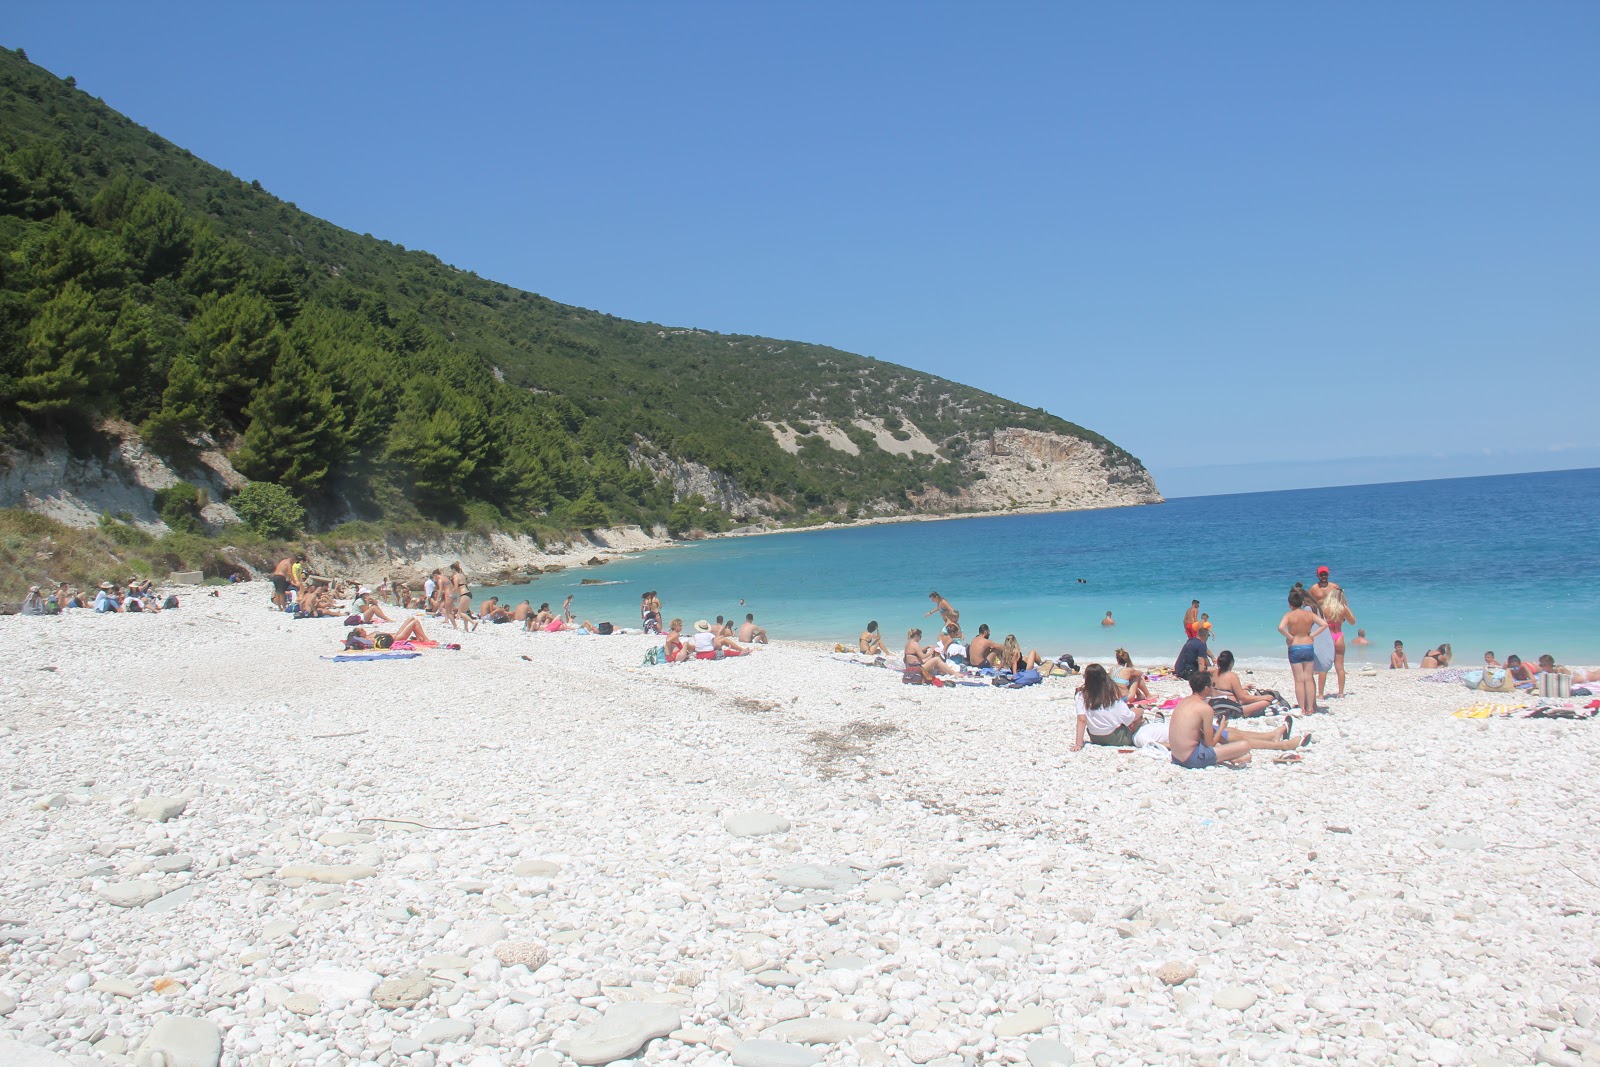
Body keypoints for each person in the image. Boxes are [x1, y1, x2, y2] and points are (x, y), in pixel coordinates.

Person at [1169, 672, 1306, 769]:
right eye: (1212, 685)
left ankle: (1272, 737)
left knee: (1228, 735)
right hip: (1191, 759)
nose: (1213, 687)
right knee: (1244, 745)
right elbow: (1209, 743)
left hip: (1177, 756)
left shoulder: (1183, 703)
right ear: (1206, 689)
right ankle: (1283, 745)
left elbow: (1199, 735)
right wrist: (1222, 726)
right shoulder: (1205, 708)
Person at [1070, 664, 1146, 750]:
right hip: (1116, 738)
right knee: (1134, 712)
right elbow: (1128, 717)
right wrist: (1141, 711)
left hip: (1095, 737)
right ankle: (1145, 724)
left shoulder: (1081, 695)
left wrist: (1078, 744)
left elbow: (1082, 719)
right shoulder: (1111, 694)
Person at [1278, 589, 1328, 714]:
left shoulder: (1289, 615)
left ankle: (1302, 708)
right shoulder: (1309, 614)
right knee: (1308, 679)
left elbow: (1280, 628)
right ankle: (1311, 708)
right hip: (1308, 646)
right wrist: (1312, 635)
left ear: (1290, 604)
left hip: (1295, 647)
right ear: (1301, 603)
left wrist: (1291, 637)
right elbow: (1324, 624)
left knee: (1299, 680)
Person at [1209, 650, 1274, 718]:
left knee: (1245, 692)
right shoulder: (1232, 676)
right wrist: (1263, 697)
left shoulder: (1214, 673)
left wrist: (1243, 688)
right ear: (1231, 663)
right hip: (1228, 709)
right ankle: (1245, 713)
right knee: (1265, 702)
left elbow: (1222, 689)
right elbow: (1243, 698)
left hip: (1214, 704)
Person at [1318, 586, 1356, 699]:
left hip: (1328, 637)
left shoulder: (1324, 608)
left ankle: (1320, 694)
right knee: (1340, 667)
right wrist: (1346, 606)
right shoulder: (1342, 609)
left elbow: (1317, 622)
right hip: (1339, 636)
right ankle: (1341, 693)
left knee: (1323, 667)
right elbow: (1353, 622)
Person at [1536, 655, 1600, 683]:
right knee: (1597, 672)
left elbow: (1560, 683)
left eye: (1543, 665)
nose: (1541, 666)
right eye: (1540, 665)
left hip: (1583, 676)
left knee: (1597, 674)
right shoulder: (1549, 671)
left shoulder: (1558, 669)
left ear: (1549, 664)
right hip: (1578, 675)